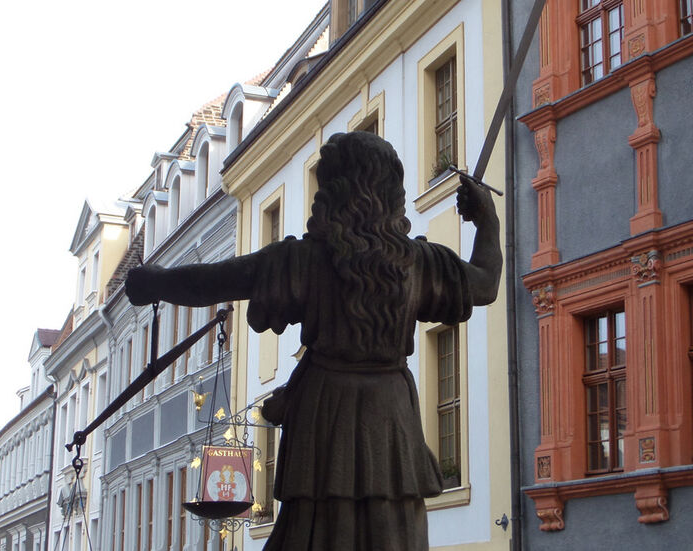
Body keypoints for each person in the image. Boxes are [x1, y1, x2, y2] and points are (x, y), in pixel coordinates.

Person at [126, 131, 501, 550]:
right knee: (393, 530)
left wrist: (155, 282)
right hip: (390, 417)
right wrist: (487, 220)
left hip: (324, 411)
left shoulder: (302, 261)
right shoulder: (420, 264)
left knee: (316, 532)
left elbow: (214, 281)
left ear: (333, 192)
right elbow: (485, 283)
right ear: (391, 193)